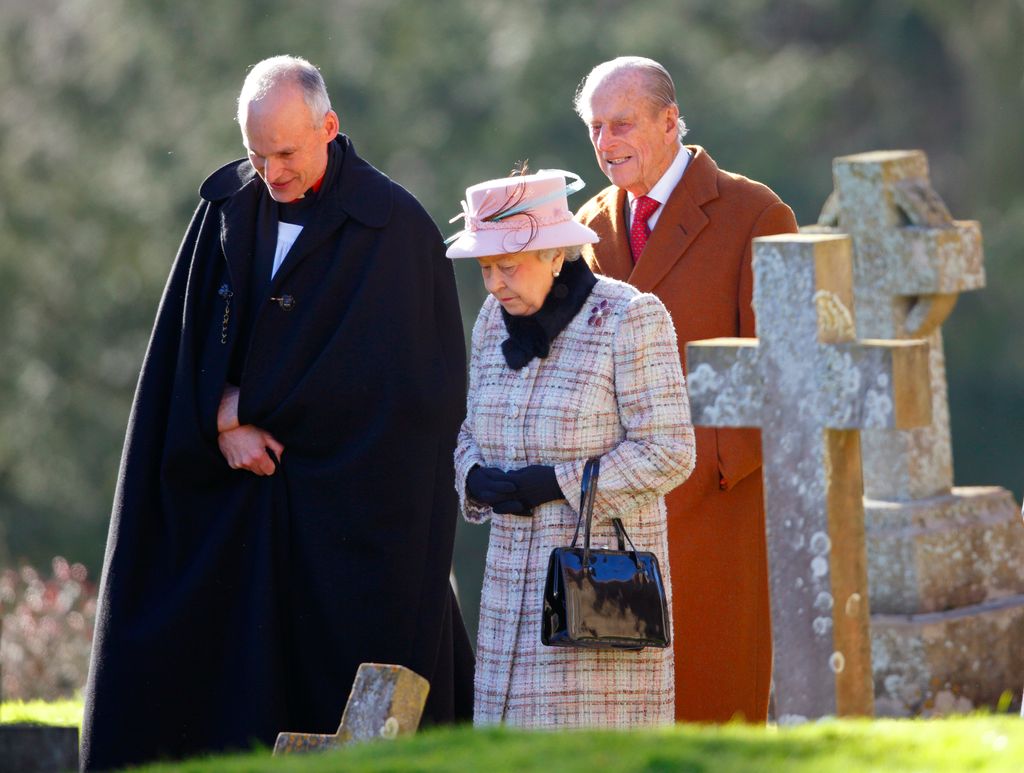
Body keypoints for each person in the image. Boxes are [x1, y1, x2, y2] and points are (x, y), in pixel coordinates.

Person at [81, 56, 473, 771]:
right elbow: (180, 355)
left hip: (341, 529)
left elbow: (412, 403)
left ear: (330, 127)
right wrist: (218, 418)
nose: (271, 171)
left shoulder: (398, 231)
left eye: (286, 153)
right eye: (257, 153)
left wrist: (249, 405)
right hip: (231, 510)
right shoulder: (225, 207)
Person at [572, 56, 799, 724]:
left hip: (713, 510)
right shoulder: (588, 223)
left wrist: (716, 469)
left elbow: (781, 369)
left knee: (714, 706)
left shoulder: (755, 212)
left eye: (622, 124)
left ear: (670, 122)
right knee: (619, 718)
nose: (606, 142)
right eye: (595, 128)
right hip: (612, 509)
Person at [448, 168, 695, 727]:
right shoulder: (494, 319)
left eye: (506, 266)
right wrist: (471, 476)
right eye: (485, 268)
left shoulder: (630, 316)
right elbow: (470, 428)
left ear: (557, 255)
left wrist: (557, 484)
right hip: (508, 588)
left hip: (598, 591)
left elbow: (670, 450)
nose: (493, 284)